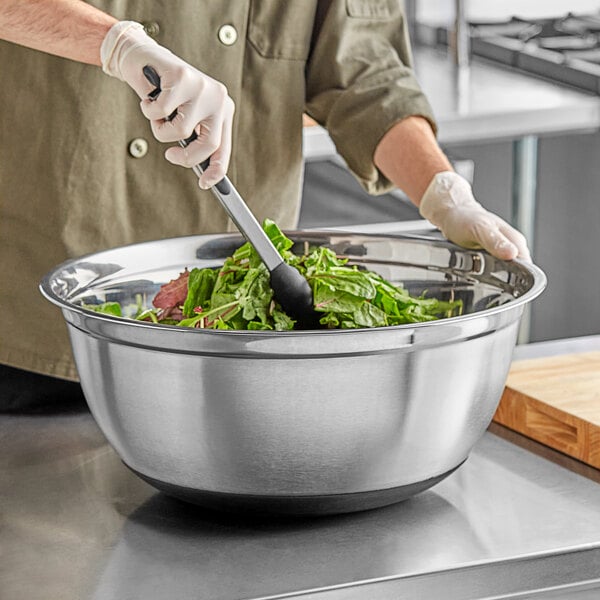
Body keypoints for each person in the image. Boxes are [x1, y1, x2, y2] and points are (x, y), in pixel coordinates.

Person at [0, 1, 530, 409]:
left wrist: (443, 192)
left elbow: (364, 71)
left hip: (247, 341)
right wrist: (115, 43)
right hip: (32, 316)